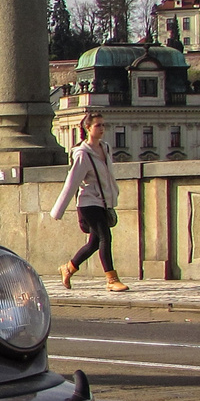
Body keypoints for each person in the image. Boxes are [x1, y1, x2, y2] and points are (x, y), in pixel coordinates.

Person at [50, 112, 128, 292]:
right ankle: (111, 279)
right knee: (105, 237)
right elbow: (72, 183)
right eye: (98, 125)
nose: (102, 129)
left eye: (103, 125)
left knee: (94, 242)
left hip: (102, 201)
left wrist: (113, 194)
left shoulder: (105, 148)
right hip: (88, 203)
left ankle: (68, 268)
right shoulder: (82, 155)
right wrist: (58, 210)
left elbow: (109, 176)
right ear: (88, 128)